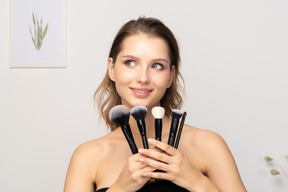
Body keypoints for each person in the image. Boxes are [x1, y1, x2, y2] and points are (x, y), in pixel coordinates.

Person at [64, 16, 247, 192]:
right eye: (130, 62)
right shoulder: (87, 156)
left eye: (157, 66)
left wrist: (196, 181)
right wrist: (121, 187)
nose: (143, 78)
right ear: (112, 69)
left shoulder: (208, 145)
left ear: (170, 76)